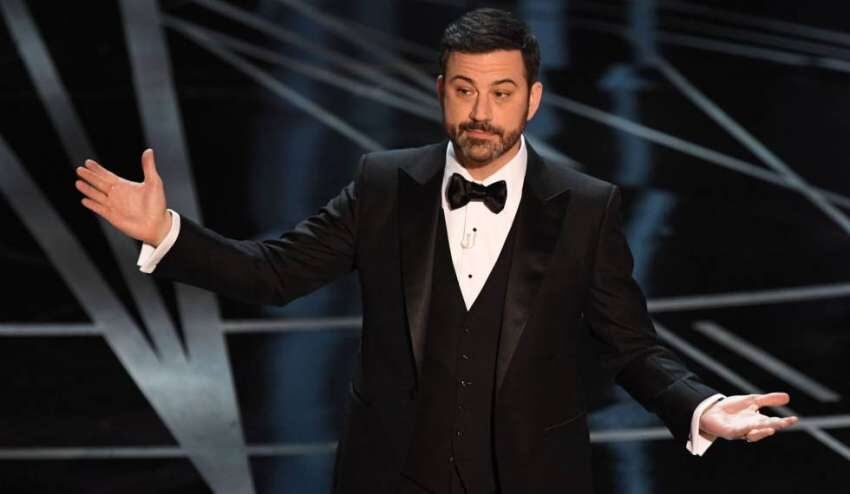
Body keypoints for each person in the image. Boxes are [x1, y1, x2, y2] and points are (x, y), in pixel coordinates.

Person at [74, 8, 798, 494]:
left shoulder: (586, 207)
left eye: (501, 93)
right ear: (441, 92)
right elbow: (274, 274)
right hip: (390, 476)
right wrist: (165, 231)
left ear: (532, 100)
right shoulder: (382, 185)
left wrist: (699, 406)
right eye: (465, 90)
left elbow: (630, 347)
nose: (481, 113)